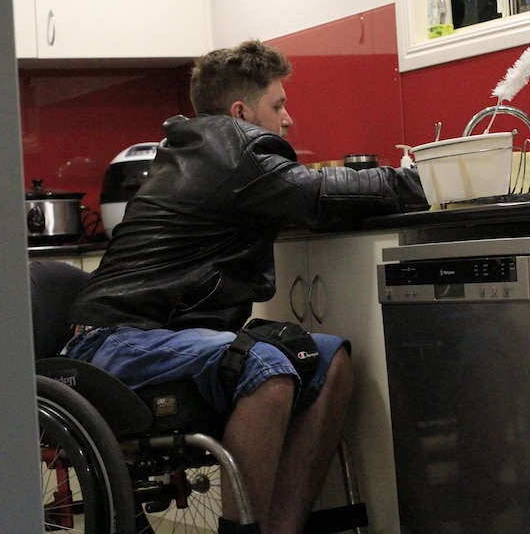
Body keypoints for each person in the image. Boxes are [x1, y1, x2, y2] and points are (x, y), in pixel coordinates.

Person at [64, 39, 428, 534]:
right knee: (266, 365)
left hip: (161, 336)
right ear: (241, 110)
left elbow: (303, 188)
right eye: (278, 105)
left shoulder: (206, 147)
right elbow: (317, 192)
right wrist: (427, 182)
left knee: (328, 359)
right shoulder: (230, 145)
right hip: (117, 339)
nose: (288, 119)